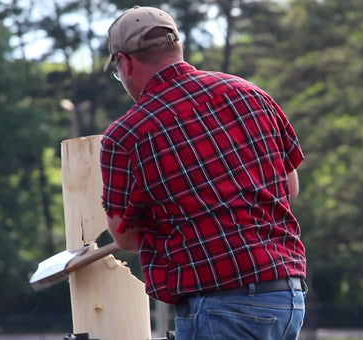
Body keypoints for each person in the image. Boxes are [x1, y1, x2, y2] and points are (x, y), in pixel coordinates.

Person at [100, 6, 307, 339]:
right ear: (176, 48)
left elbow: (125, 237)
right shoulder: (251, 94)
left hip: (218, 305)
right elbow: (289, 187)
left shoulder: (126, 136)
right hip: (286, 296)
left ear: (125, 63)